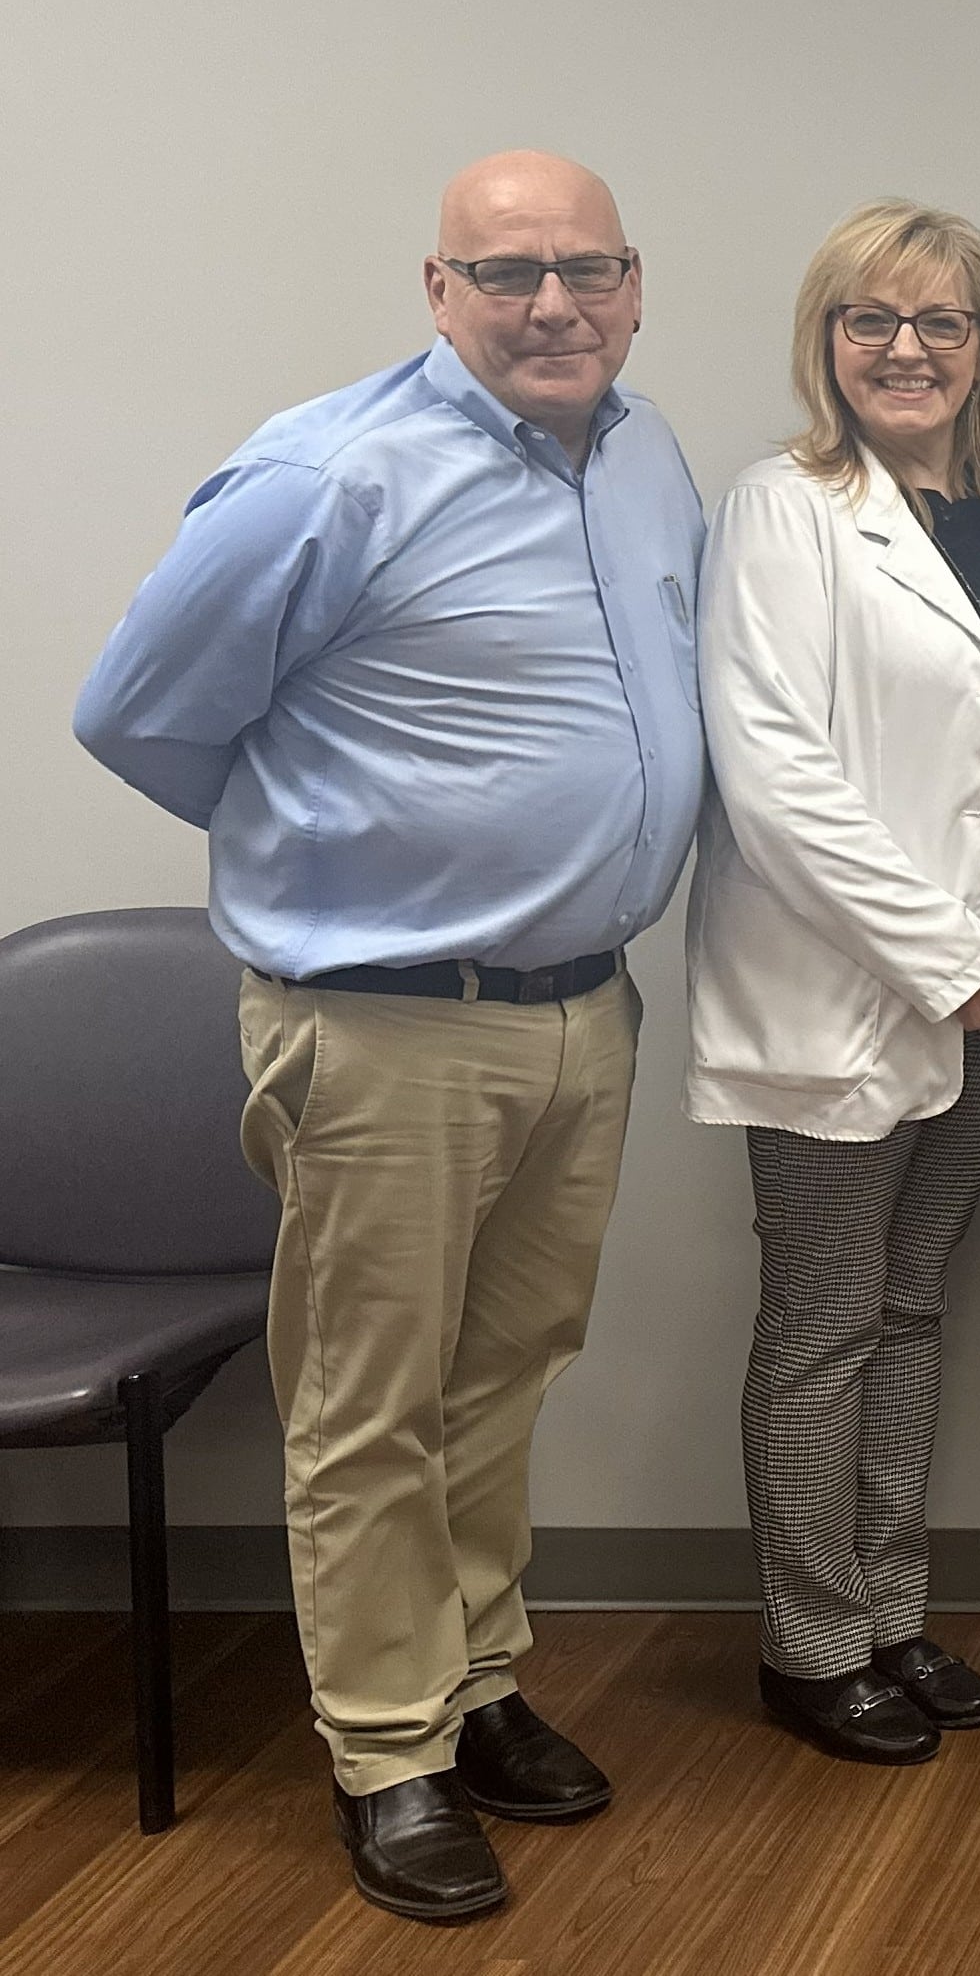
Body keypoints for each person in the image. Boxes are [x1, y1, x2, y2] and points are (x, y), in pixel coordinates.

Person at [72, 152, 699, 1921]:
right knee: (367, 1406)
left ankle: (479, 1680)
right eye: (507, 273)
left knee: (504, 1375)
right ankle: (385, 1748)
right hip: (383, 1026)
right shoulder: (327, 472)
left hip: (585, 1013)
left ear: (638, 284)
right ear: (437, 290)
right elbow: (139, 716)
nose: (552, 303)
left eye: (586, 267)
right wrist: (346, 852)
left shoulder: (646, 456)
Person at [686, 201, 980, 1766]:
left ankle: (889, 1607)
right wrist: (954, 962)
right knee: (822, 1319)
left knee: (915, 1304)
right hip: (849, 994)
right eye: (872, 320)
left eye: (943, 323)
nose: (908, 350)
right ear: (827, 342)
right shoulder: (782, 508)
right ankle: (810, 1642)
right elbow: (776, 775)